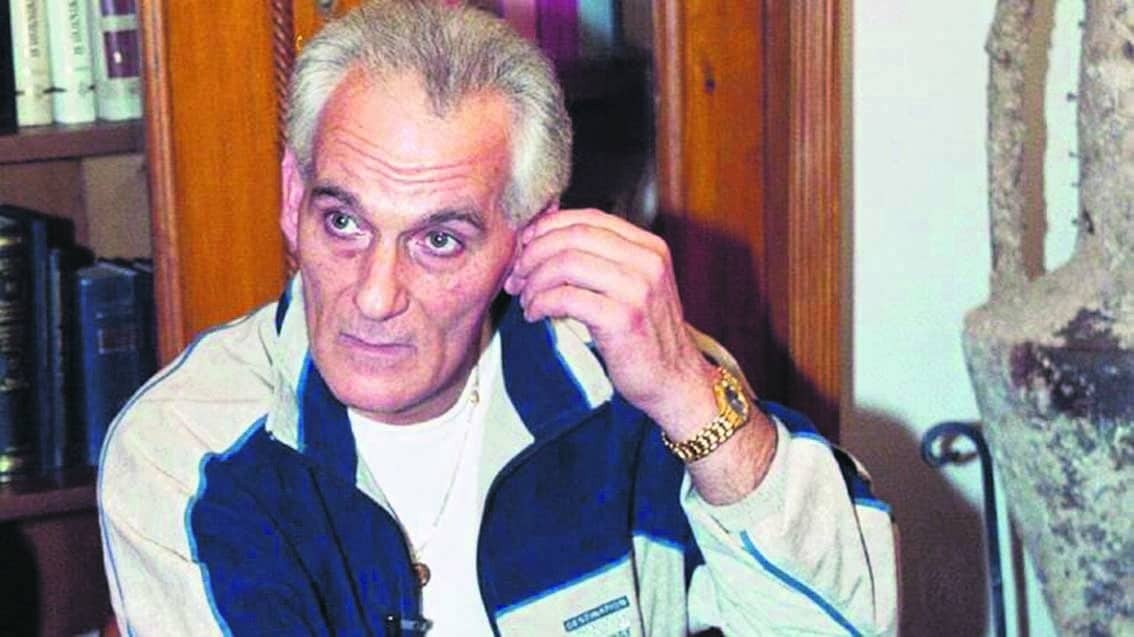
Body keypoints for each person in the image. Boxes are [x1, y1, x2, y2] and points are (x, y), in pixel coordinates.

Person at [99, 1, 897, 635]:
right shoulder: (188, 449)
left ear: (528, 236)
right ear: (291, 198)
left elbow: (846, 623)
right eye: (343, 222)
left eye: (439, 240)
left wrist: (688, 394)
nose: (374, 294)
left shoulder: (633, 388)